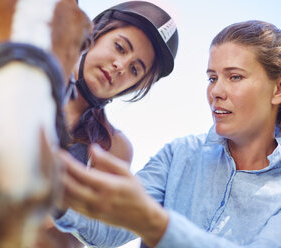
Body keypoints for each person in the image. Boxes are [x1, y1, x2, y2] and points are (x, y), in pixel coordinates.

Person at [54, 20, 281, 248]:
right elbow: (105, 229)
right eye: (212, 78)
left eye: (234, 77)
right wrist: (48, 182)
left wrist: (156, 224)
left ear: (280, 88)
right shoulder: (178, 155)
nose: (216, 91)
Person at [35, 1, 179, 247]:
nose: (120, 66)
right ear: (97, 32)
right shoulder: (27, 75)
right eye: (120, 47)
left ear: (133, 86)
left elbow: (79, 231)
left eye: (135, 69)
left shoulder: (113, 147)